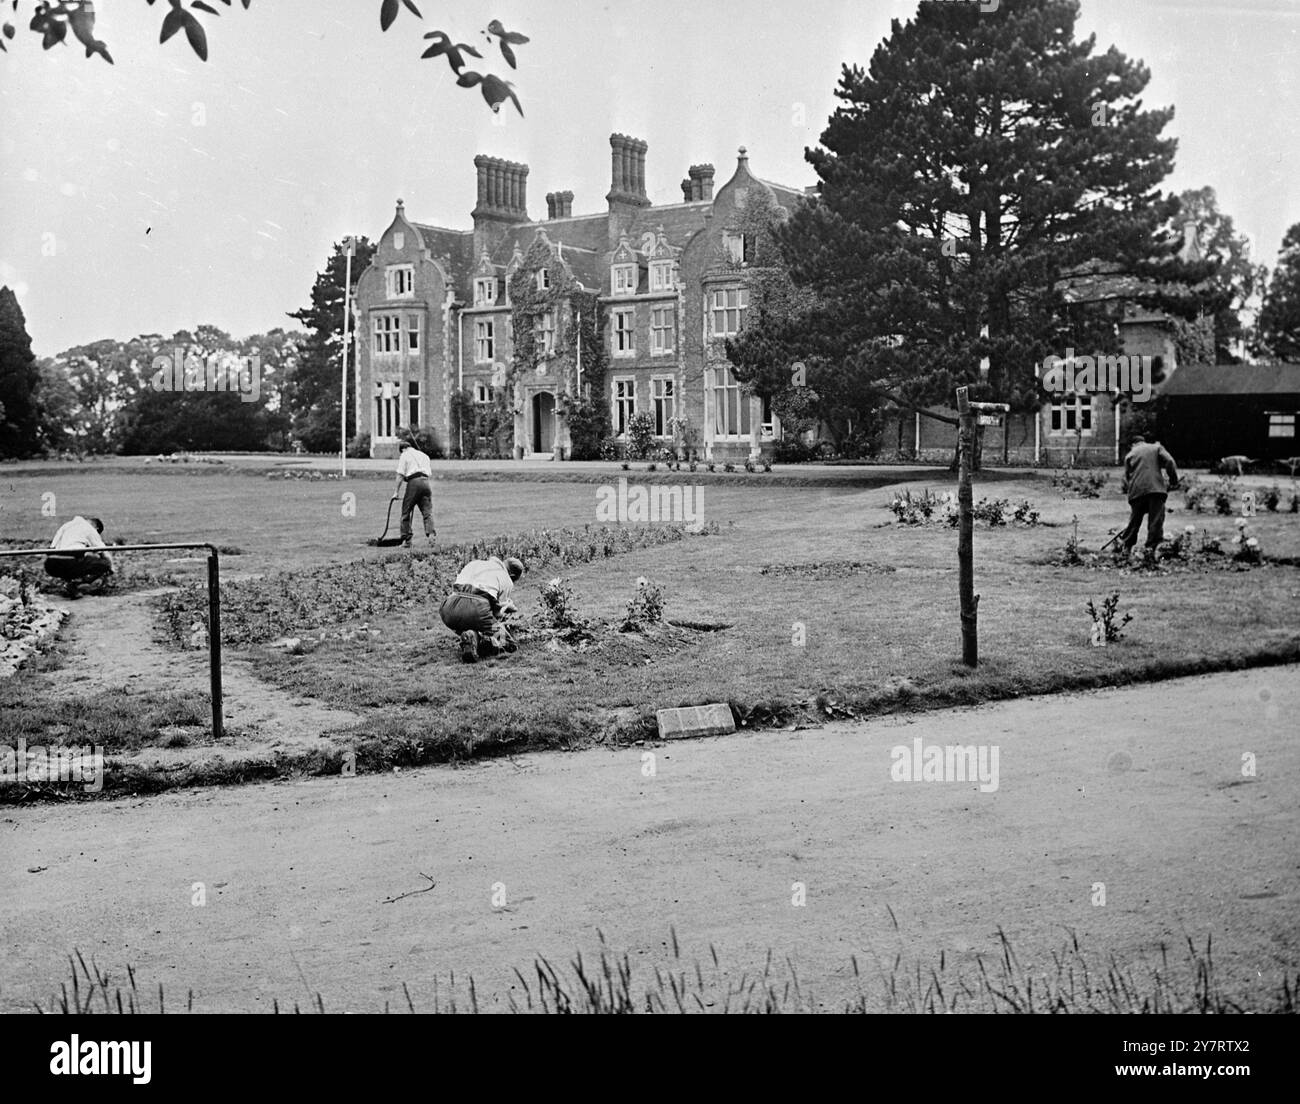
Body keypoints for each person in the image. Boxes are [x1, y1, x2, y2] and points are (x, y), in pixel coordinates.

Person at [439, 555, 525, 663]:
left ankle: (472, 636)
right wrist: (508, 607)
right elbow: (496, 614)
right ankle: (484, 641)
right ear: (512, 575)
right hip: (478, 610)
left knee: (470, 619)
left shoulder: (474, 563)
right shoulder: (506, 578)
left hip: (449, 609)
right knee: (509, 645)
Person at [1119, 434, 1180, 555]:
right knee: (1155, 520)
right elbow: (1170, 461)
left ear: (1133, 445)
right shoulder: (1156, 447)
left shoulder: (1129, 455)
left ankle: (1126, 547)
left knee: (1134, 520)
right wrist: (1173, 480)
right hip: (1156, 490)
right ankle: (1150, 549)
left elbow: (1126, 478)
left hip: (1136, 491)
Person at [44, 516, 114, 597]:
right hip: (70, 561)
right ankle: (75, 584)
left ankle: (69, 586)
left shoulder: (65, 526)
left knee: (72, 559)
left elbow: (51, 548)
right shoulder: (89, 528)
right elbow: (103, 551)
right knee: (105, 563)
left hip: (50, 564)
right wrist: (111, 568)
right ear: (96, 528)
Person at [391, 431, 435, 548]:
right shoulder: (424, 455)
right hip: (426, 483)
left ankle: (407, 540)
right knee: (427, 512)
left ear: (403, 449)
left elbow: (400, 475)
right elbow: (424, 472)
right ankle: (431, 536)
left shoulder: (404, 455)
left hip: (414, 484)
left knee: (406, 511)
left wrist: (396, 492)